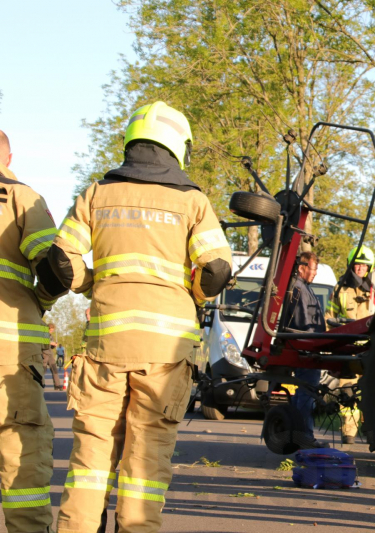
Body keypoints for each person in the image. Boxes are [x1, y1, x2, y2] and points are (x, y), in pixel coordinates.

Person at [50, 102, 233, 533]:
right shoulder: (192, 201)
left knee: (91, 459)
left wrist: (92, 282)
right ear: (178, 147)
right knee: (146, 461)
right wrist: (188, 294)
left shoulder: (98, 193)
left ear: (132, 142)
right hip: (165, 355)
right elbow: (217, 269)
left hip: (106, 348)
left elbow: (60, 258)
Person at [0, 129, 67, 532]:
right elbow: (55, 268)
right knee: (20, 452)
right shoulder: (21, 197)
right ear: (8, 157)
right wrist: (38, 301)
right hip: (10, 346)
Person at [325, 245, 375, 444]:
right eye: (357, 265)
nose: (360, 269)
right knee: (347, 391)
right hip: (347, 348)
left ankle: (372, 432)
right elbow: (329, 317)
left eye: (365, 266)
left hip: (371, 349)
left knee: (372, 391)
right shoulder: (340, 289)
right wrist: (329, 344)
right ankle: (348, 432)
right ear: (350, 266)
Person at [284, 251, 328, 448]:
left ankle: (295, 435)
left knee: (305, 392)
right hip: (306, 348)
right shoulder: (298, 289)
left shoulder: (302, 288)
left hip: (308, 346)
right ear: (302, 268)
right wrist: (312, 344)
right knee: (306, 392)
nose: (315, 273)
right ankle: (304, 437)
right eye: (313, 268)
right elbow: (304, 322)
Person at [42, 323, 63, 389]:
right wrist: (50, 343)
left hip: (50, 354)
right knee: (43, 370)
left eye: (52, 330)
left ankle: (57, 385)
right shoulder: (43, 334)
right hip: (44, 353)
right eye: (50, 330)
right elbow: (43, 342)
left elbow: (51, 346)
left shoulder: (51, 336)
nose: (51, 331)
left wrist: (54, 345)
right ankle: (41, 384)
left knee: (54, 369)